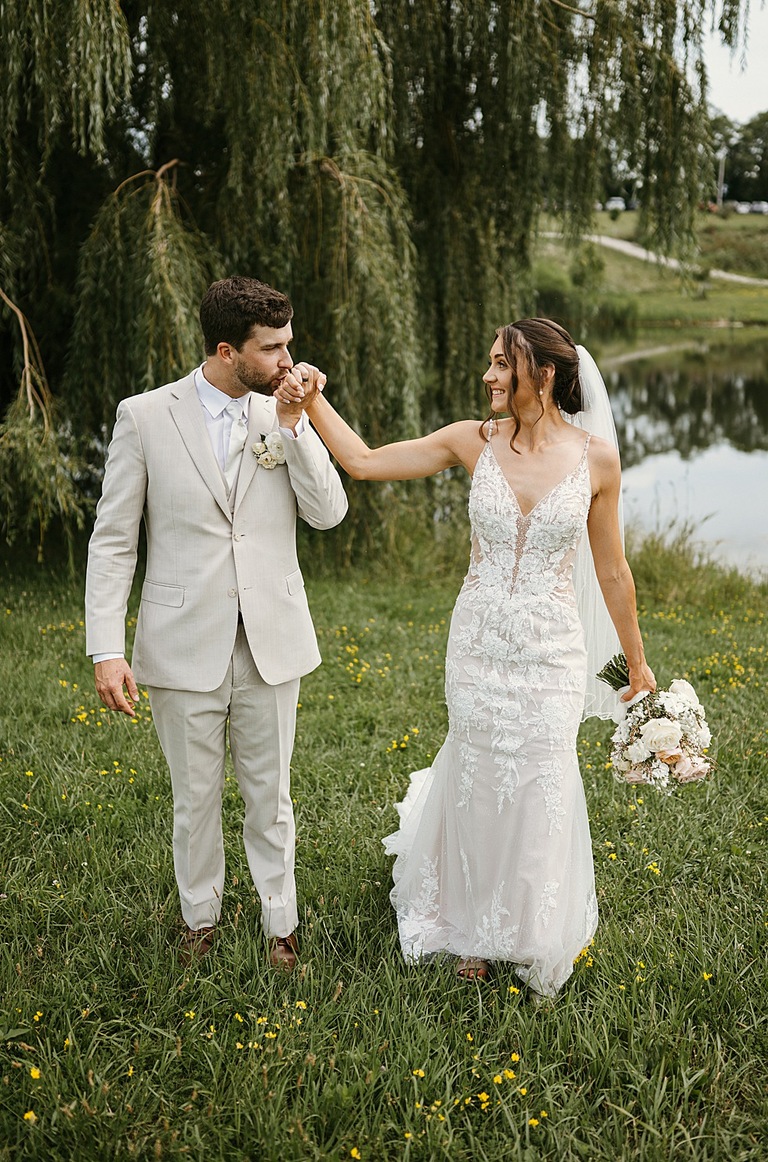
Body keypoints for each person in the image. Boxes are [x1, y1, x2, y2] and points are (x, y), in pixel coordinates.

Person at [276, 317, 655, 997]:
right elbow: (363, 461)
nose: (488, 375)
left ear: (544, 373)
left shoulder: (597, 460)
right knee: (478, 773)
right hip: (478, 645)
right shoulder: (471, 441)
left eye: (502, 364)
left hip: (552, 651)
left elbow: (612, 570)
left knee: (542, 777)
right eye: (490, 362)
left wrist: (638, 664)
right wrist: (312, 400)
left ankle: (531, 928)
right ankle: (472, 927)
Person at [85, 275, 347, 970]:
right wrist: (106, 648)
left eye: (288, 344)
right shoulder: (145, 416)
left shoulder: (284, 412)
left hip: (270, 640)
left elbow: (328, 513)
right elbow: (113, 541)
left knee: (272, 796)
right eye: (273, 348)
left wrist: (296, 426)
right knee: (194, 798)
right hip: (181, 641)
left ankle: (280, 925)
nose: (288, 360)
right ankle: (198, 920)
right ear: (228, 351)